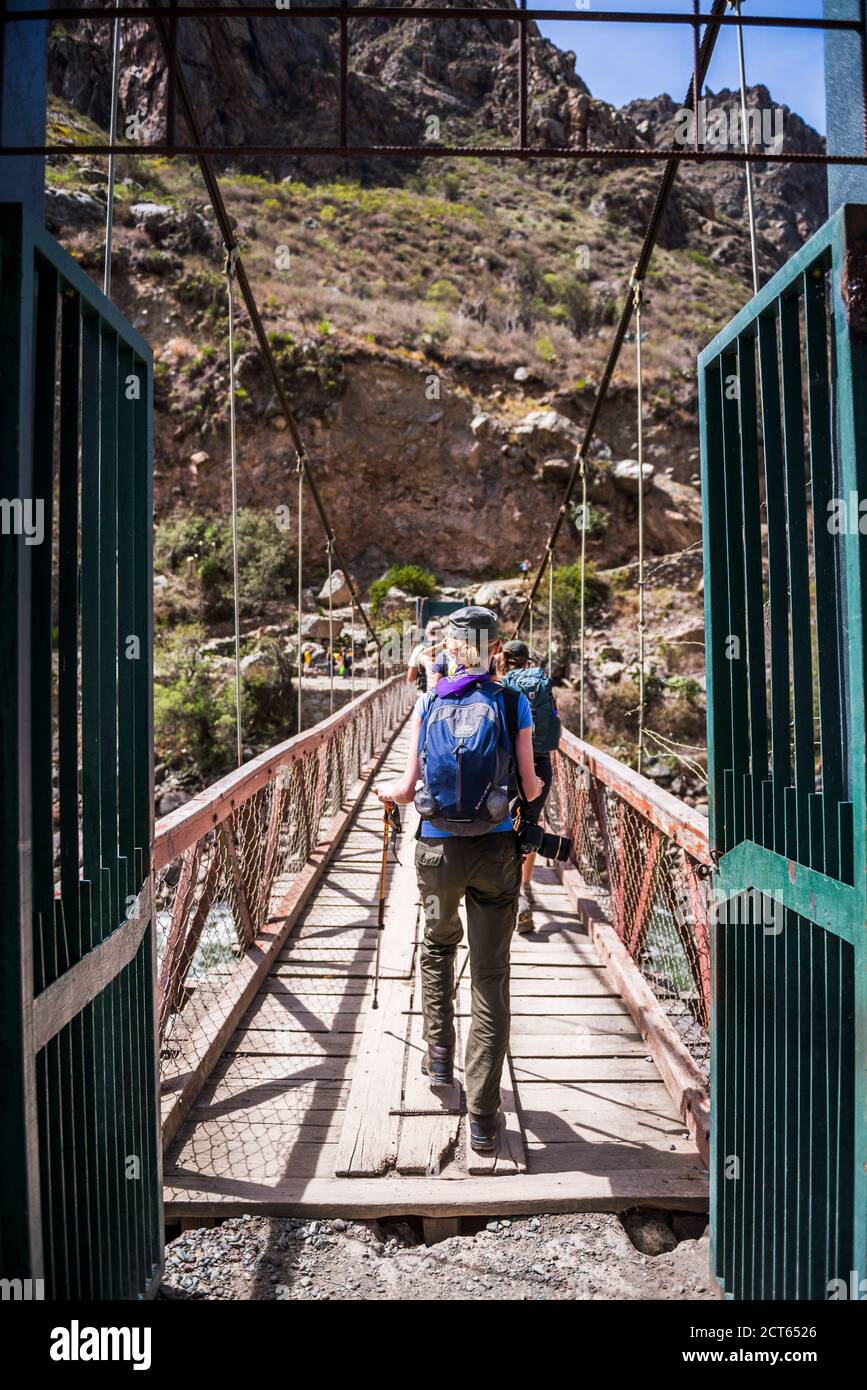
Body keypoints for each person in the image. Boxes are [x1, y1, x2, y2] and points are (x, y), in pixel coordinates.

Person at [373, 606, 543, 1154]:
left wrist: (387, 796)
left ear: (448, 648)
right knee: (491, 977)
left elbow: (405, 787)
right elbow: (531, 785)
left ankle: (439, 1055)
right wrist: (529, 793)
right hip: (494, 851)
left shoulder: (429, 700)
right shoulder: (513, 700)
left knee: (437, 948)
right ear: (497, 650)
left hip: (437, 850)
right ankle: (484, 1118)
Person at [498, 639, 562, 934]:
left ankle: (504, 889)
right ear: (527, 662)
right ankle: (524, 887)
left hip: (507, 764)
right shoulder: (541, 684)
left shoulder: (499, 687)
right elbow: (554, 723)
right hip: (540, 764)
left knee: (502, 821)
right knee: (530, 825)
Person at [406, 618, 447, 693]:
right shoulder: (450, 648)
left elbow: (411, 678)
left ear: (427, 632)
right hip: (448, 693)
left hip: (426, 695)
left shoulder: (419, 649)